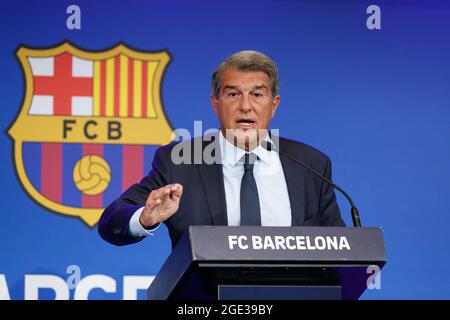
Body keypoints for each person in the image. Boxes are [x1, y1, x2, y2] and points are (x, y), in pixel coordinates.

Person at [98, 50, 345, 248]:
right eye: (233, 94)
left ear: (274, 105)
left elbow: (343, 250)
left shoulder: (311, 165)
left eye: (257, 95)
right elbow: (112, 221)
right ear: (215, 104)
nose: (245, 106)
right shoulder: (180, 162)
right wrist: (144, 218)